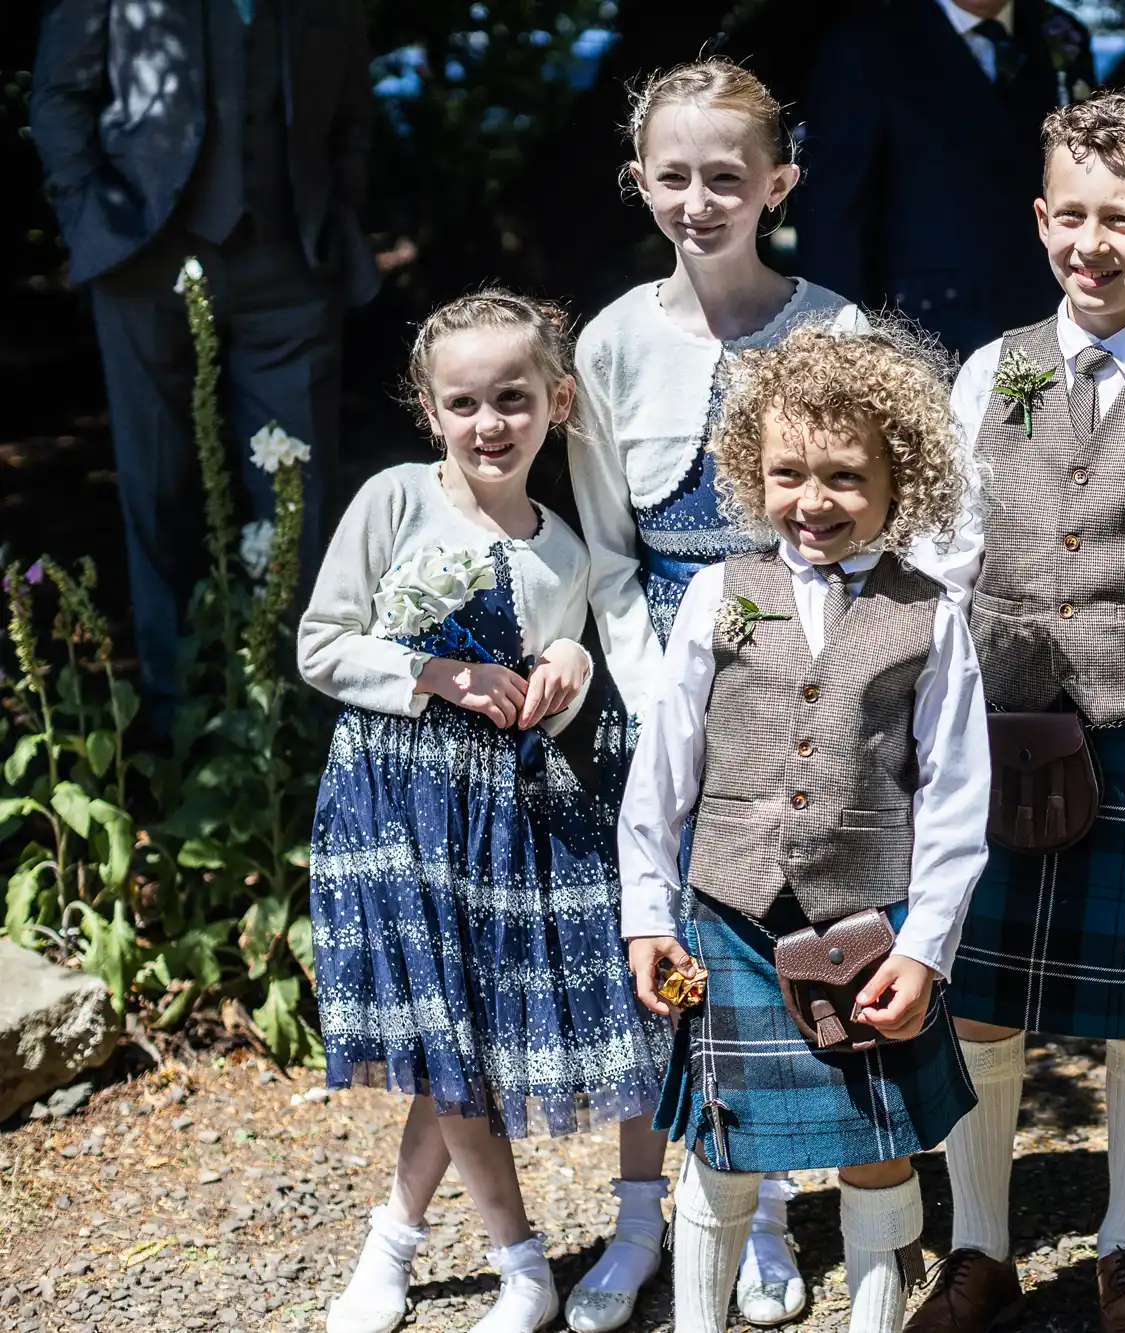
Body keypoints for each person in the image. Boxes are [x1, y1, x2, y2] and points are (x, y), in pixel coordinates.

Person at [905, 90, 1125, 1333]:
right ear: (1039, 218)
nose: (1091, 244)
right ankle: (982, 1249)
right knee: (981, 998)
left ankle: (1124, 1250)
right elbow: (945, 564)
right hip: (992, 740)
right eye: (1071, 216)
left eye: (1123, 220)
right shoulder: (988, 370)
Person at [567, 58, 866, 1331]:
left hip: (793, 688)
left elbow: (861, 526)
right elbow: (599, 549)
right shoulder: (610, 341)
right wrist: (654, 691)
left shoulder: (835, 331)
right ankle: (648, 1218)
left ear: (778, 186)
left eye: (725, 178)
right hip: (651, 694)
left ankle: (764, 1209)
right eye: (673, 177)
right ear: (639, 183)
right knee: (657, 952)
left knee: (770, 950)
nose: (698, 200)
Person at [618, 325, 990, 1333]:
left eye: (841, 476)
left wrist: (926, 949)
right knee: (722, 1146)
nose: (812, 500)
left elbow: (956, 796)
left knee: (878, 1143)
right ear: (751, 470)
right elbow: (662, 775)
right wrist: (647, 916)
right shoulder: (715, 596)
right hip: (726, 916)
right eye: (787, 473)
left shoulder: (931, 615)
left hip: (867, 923)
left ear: (895, 475)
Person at [300, 292, 659, 1333]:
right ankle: (518, 1262)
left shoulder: (566, 547)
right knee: (439, 1032)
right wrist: (434, 671)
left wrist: (570, 663)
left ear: (556, 402)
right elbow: (321, 646)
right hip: (392, 806)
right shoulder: (396, 500)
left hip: (500, 820)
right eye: (464, 402)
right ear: (429, 410)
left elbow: (562, 678)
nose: (489, 422)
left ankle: (392, 1238)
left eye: (512, 398)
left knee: (467, 1035)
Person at [30, 0, 380, 731]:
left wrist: (334, 212)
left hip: (290, 261)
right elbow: (61, 93)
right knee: (157, 484)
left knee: (299, 500)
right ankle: (174, 723)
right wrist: (88, 220)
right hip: (142, 256)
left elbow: (351, 106)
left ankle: (293, 727)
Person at [793, 0, 1094, 359]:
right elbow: (833, 210)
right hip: (922, 332)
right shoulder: (866, 42)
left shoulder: (1059, 34)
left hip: (1049, 319)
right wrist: (842, 346)